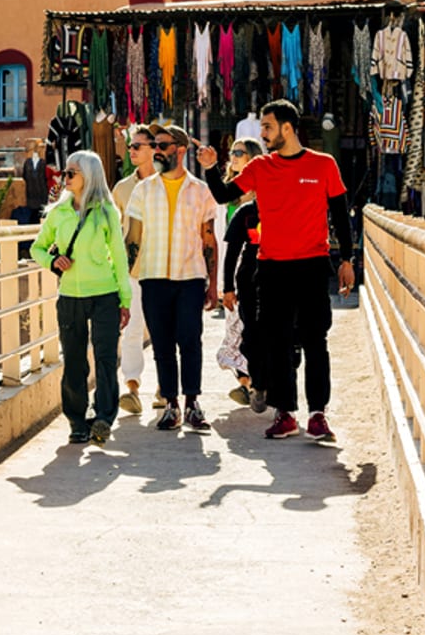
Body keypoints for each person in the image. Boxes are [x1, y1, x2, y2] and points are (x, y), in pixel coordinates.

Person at [198, 99, 354, 442]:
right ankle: (286, 414)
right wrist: (211, 167)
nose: (263, 133)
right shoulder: (260, 168)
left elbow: (340, 213)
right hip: (271, 269)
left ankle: (318, 414)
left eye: (267, 127)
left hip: (313, 266)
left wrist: (347, 260)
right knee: (277, 342)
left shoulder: (324, 164)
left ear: (287, 127)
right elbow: (224, 195)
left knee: (316, 340)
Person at [30, 150, 132, 446]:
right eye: (65, 173)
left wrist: (124, 299)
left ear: (89, 176)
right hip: (70, 296)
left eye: (71, 173)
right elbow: (37, 248)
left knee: (104, 358)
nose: (65, 178)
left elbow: (119, 257)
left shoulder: (106, 212)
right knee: (74, 361)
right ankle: (77, 421)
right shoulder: (57, 213)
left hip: (105, 295)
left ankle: (103, 418)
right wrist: (53, 262)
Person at [124, 123, 220, 432]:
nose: (156, 150)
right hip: (152, 278)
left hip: (191, 277)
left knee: (190, 340)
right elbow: (132, 239)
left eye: (162, 144)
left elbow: (209, 239)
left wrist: (214, 284)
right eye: (154, 144)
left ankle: (192, 403)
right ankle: (171, 405)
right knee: (163, 346)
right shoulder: (143, 190)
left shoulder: (201, 190)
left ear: (180, 149)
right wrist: (122, 286)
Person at [111, 126, 156, 413]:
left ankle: (166, 389)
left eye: (138, 146)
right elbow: (116, 231)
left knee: (168, 333)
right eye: (130, 146)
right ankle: (131, 387)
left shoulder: (167, 183)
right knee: (131, 330)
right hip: (133, 271)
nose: (132, 150)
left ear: (154, 149)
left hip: (166, 269)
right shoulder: (122, 188)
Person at [217, 138, 265, 407]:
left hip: (254, 267)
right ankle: (245, 380)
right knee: (234, 326)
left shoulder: (260, 196)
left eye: (240, 153)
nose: (233, 157)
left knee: (251, 326)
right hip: (231, 265)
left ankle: (252, 381)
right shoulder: (227, 194)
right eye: (232, 153)